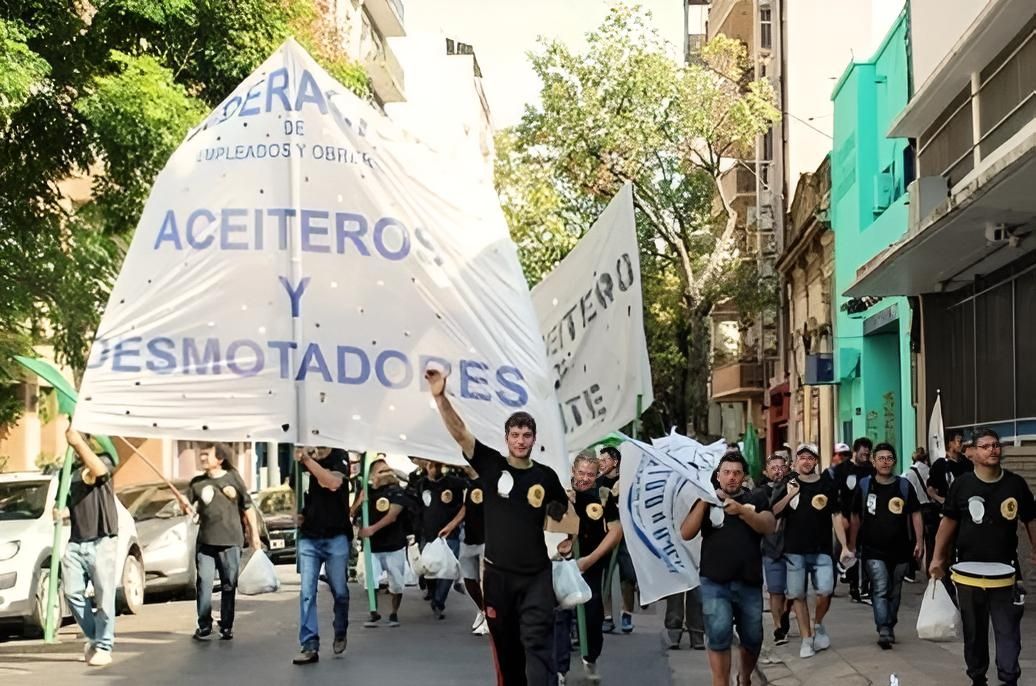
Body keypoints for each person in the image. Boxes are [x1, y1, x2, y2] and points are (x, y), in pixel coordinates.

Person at [426, 366, 568, 686]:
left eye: (526, 435)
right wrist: (441, 398)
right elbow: (461, 433)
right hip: (498, 577)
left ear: (534, 439)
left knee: (537, 643)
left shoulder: (546, 476)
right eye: (515, 435)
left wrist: (567, 536)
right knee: (508, 652)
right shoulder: (491, 465)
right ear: (507, 439)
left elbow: (564, 515)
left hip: (536, 577)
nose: (521, 440)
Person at [930, 429, 1036, 686]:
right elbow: (948, 522)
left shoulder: (1015, 484)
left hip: (1006, 575)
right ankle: (977, 677)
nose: (992, 450)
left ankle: (1009, 677)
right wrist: (937, 557)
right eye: (985, 446)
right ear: (973, 453)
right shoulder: (962, 485)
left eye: (996, 445)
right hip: (968, 576)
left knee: (1008, 632)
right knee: (974, 633)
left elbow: (1031, 519)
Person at [681, 452, 775, 686]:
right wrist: (705, 500)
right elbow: (686, 532)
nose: (731, 477)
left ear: (744, 477)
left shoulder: (756, 497)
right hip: (714, 581)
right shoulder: (705, 499)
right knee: (719, 633)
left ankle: (744, 677)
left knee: (753, 637)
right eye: (726, 472)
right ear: (718, 476)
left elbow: (768, 526)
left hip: (749, 581)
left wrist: (742, 511)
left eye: (736, 473)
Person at [770, 443, 847, 659]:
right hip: (794, 550)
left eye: (810, 458)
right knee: (797, 595)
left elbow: (836, 515)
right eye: (802, 457)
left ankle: (818, 623)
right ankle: (806, 639)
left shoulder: (827, 483)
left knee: (826, 591)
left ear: (816, 461)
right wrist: (789, 495)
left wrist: (845, 546)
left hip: (822, 549)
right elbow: (774, 511)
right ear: (796, 461)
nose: (806, 461)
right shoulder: (789, 483)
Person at [845, 443, 923, 649]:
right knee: (880, 587)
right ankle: (884, 628)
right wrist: (851, 543)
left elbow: (915, 514)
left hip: (901, 549)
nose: (885, 462)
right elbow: (855, 516)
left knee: (895, 590)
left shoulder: (904, 486)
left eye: (889, 458)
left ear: (894, 461)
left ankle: (890, 621)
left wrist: (919, 541)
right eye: (881, 458)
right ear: (873, 461)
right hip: (872, 549)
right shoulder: (865, 486)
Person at [556, 451, 623, 682]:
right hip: (562, 565)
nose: (585, 478)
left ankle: (590, 657)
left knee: (592, 614)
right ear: (573, 471)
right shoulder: (561, 491)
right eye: (581, 473)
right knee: (560, 615)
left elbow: (615, 531)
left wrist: (590, 559)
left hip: (590, 565)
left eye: (590, 474)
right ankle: (560, 669)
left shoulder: (603, 496)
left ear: (597, 475)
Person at [186, 443, 261, 641]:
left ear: (219, 459)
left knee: (229, 585)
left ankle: (226, 625)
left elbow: (247, 507)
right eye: (201, 454)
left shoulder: (233, 478)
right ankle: (204, 625)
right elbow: (188, 506)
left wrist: (254, 535)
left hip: (230, 541)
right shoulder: (197, 483)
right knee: (204, 584)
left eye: (207, 454)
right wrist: (186, 507)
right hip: (205, 542)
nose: (202, 458)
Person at [62, 429, 120, 667]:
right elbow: (65, 503)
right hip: (76, 540)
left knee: (104, 597)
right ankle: (96, 638)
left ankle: (103, 646)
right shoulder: (67, 472)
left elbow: (98, 472)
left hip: (101, 539)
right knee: (71, 593)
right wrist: (59, 511)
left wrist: (78, 443)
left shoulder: (103, 459)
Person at [292, 447, 352, 666]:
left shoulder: (339, 456)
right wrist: (297, 512)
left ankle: (340, 629)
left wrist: (307, 460)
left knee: (340, 591)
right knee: (307, 592)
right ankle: (309, 644)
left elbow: (332, 483)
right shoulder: (300, 460)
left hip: (336, 535)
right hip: (309, 536)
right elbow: (296, 489)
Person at [354, 457, 408, 628]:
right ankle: (373, 612)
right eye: (381, 471)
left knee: (397, 583)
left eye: (388, 470)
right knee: (370, 580)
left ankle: (394, 613)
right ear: (372, 476)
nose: (386, 474)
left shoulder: (396, 491)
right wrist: (359, 501)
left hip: (394, 544)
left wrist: (372, 529)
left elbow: (393, 515)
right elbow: (353, 514)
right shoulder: (366, 492)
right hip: (373, 547)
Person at [415, 460, 466, 619]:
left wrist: (453, 524)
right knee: (429, 568)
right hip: (427, 533)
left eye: (437, 465)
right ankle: (431, 590)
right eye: (431, 465)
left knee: (448, 570)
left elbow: (467, 503)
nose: (434, 468)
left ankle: (439, 601)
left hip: (450, 534)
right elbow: (417, 508)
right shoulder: (421, 484)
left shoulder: (455, 483)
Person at [595, 445, 637, 634]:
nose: (601, 463)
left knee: (627, 576)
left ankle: (627, 613)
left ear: (615, 462)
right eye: (600, 460)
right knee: (605, 574)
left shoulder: (627, 481)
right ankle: (607, 616)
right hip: (605, 533)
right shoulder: (598, 482)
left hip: (626, 534)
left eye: (605, 460)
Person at [830, 438, 874, 604]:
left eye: (868, 454)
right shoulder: (842, 469)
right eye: (863, 453)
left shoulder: (871, 470)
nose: (866, 456)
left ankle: (863, 587)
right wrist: (840, 516)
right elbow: (835, 494)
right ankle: (845, 583)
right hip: (846, 517)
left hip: (867, 517)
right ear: (856, 452)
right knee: (845, 550)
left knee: (865, 552)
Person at [756, 453, 792, 645]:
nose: (778, 471)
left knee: (793, 591)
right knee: (775, 590)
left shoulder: (794, 487)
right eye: (773, 468)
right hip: (770, 547)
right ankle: (778, 627)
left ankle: (785, 615)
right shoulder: (760, 493)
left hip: (792, 546)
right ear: (766, 471)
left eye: (781, 467)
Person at [458, 466, 490, 635]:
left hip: (488, 538)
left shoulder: (489, 481)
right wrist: (451, 526)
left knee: (486, 581)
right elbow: (465, 508)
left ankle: (489, 620)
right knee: (469, 578)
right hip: (469, 538)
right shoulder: (468, 484)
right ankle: (482, 609)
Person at [903, 446, 936, 580]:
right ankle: (930, 572)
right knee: (931, 542)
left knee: (914, 539)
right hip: (931, 508)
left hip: (916, 509)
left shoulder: (909, 473)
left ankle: (911, 571)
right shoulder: (930, 471)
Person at [927, 429, 969, 505]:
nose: (962, 444)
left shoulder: (966, 462)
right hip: (947, 507)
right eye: (959, 441)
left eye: (963, 441)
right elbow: (930, 488)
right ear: (950, 443)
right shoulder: (940, 464)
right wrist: (941, 500)